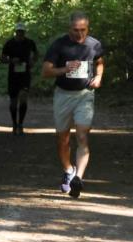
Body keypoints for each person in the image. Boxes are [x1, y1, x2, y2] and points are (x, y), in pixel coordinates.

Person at [42, 11, 104, 199]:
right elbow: (46, 72)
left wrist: (99, 77)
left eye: (83, 30)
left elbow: (100, 62)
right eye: (75, 30)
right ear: (69, 28)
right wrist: (64, 69)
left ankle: (78, 178)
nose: (79, 34)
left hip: (85, 95)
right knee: (63, 139)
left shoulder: (94, 44)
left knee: (83, 135)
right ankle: (69, 169)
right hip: (63, 95)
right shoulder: (59, 45)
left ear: (88, 27)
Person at [0, 22, 37, 135]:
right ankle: (14, 124)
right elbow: (2, 58)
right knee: (13, 102)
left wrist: (32, 61)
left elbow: (36, 54)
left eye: (22, 32)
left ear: (24, 32)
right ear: (15, 32)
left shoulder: (30, 43)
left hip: (25, 74)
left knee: (23, 98)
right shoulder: (10, 43)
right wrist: (11, 60)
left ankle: (20, 124)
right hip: (13, 75)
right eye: (18, 32)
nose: (20, 34)